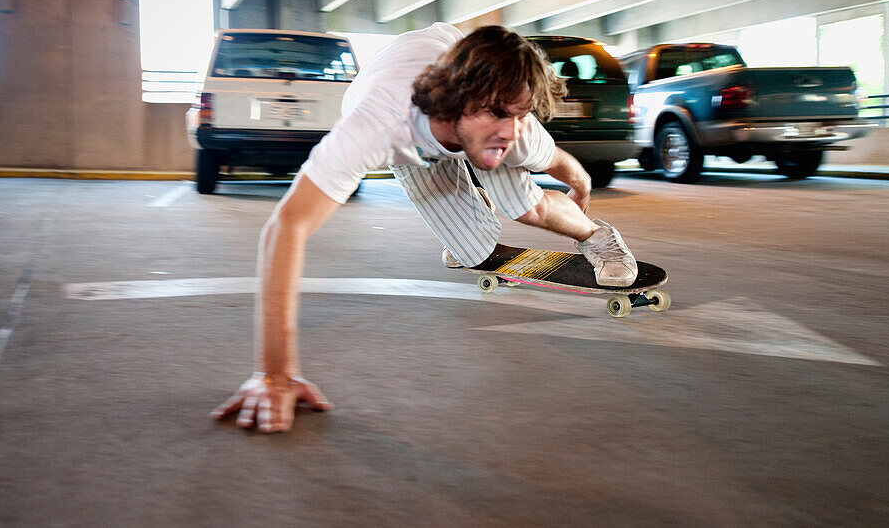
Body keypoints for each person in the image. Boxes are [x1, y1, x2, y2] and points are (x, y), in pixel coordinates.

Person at [211, 23, 638, 433]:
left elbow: (558, 163)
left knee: (525, 205)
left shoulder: (514, 127)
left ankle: (599, 238)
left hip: (445, 67)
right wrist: (274, 374)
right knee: (474, 253)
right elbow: (285, 227)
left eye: (519, 115)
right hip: (409, 107)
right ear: (457, 100)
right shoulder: (379, 124)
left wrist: (581, 185)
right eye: (496, 115)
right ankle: (475, 205)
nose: (509, 131)